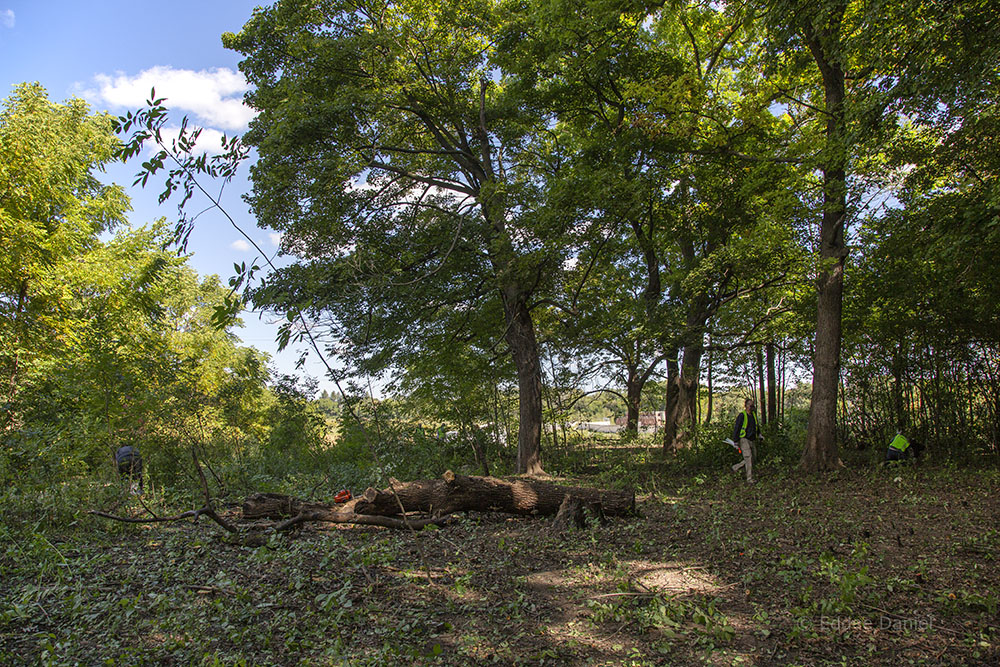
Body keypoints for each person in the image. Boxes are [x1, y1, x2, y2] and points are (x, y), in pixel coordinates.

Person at [730, 398, 758, 484]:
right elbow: (737, 428)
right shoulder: (742, 415)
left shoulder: (753, 415)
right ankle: (749, 479)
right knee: (748, 457)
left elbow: (756, 426)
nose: (752, 407)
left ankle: (736, 467)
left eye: (752, 405)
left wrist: (759, 434)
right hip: (744, 439)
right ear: (746, 406)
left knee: (753, 457)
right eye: (750, 405)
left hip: (752, 439)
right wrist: (735, 441)